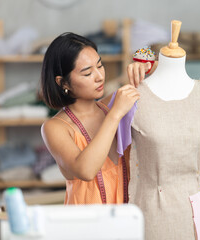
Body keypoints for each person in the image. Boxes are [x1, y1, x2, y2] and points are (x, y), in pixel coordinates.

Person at [40, 32, 151, 204]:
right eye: (87, 73)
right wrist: (115, 115)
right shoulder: (55, 127)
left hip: (128, 221)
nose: (99, 77)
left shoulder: (113, 104)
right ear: (63, 83)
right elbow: (86, 170)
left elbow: (157, 77)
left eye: (100, 66)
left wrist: (147, 66)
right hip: (88, 225)